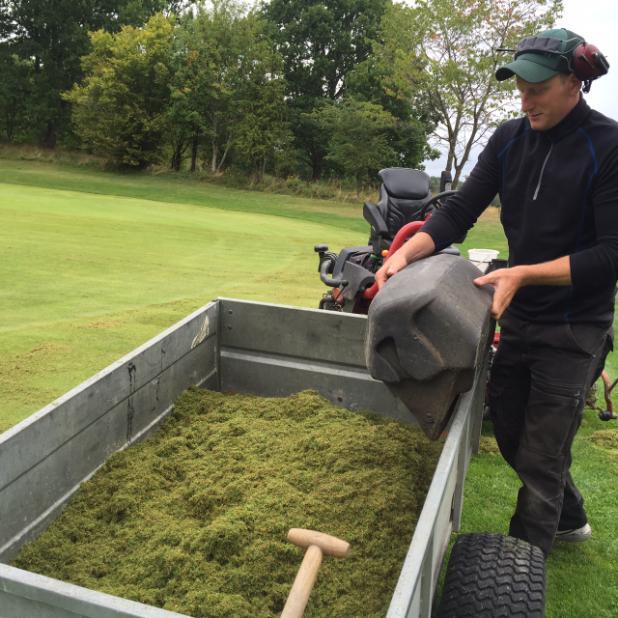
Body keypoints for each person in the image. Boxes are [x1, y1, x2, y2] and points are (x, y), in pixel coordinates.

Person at [374, 27, 618, 557]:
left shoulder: (609, 146)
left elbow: (610, 255)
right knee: (509, 434)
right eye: (519, 88)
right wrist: (404, 254)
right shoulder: (509, 139)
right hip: (519, 315)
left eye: (537, 88)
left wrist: (524, 273)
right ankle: (570, 516)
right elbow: (459, 212)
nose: (525, 100)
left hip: (576, 326)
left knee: (542, 453)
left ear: (575, 81)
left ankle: (520, 566)